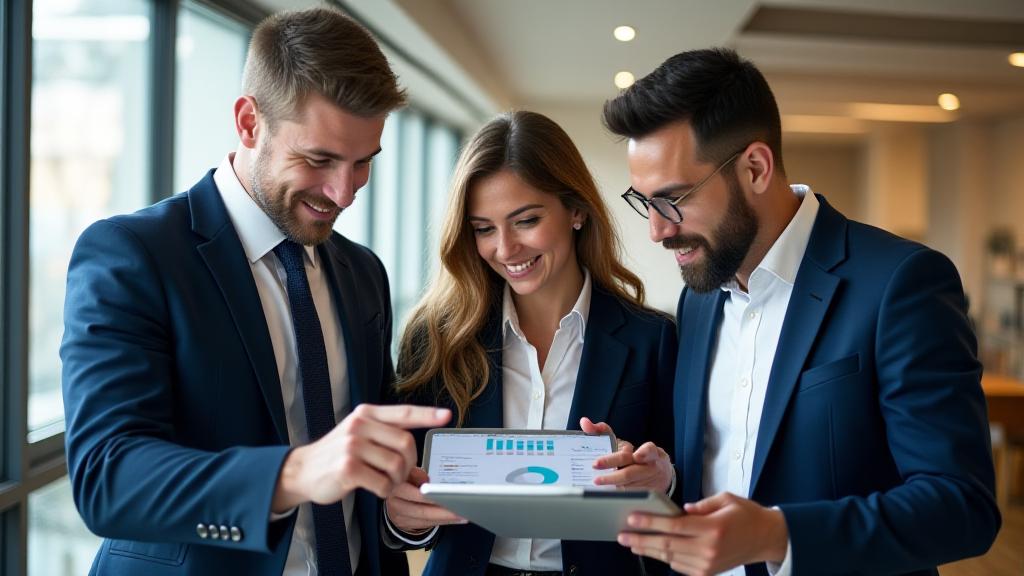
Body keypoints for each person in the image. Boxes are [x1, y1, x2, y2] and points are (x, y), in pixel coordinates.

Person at [60, 8, 450, 576]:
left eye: (363, 163)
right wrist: (294, 472)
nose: (344, 194)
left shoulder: (363, 272)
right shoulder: (133, 254)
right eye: (319, 160)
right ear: (248, 123)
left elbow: (368, 468)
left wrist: (405, 514)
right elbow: (108, 478)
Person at [600, 47, 1001, 576]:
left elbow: (961, 507)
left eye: (674, 199)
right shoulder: (698, 299)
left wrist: (778, 535)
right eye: (645, 202)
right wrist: (667, 481)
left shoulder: (901, 283)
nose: (657, 229)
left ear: (756, 168)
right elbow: (729, 473)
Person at [382, 110, 678, 576]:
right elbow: (406, 499)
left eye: (525, 220)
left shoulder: (654, 339)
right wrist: (404, 519)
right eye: (483, 228)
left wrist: (664, 479)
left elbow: (682, 486)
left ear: (576, 210)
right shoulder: (438, 338)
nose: (505, 249)